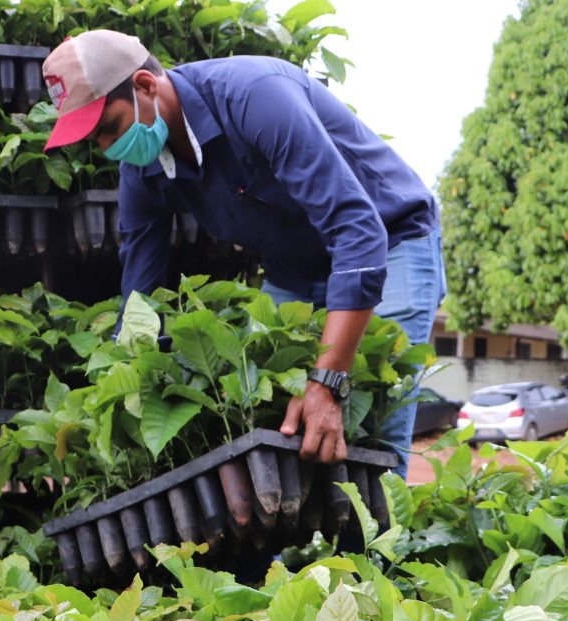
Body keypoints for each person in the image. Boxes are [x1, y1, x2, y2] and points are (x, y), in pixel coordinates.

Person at [41, 30, 445, 476]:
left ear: (145, 85)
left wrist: (329, 380)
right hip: (295, 269)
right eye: (94, 139)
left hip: (389, 242)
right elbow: (140, 294)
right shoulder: (142, 168)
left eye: (109, 128)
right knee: (273, 427)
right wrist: (115, 405)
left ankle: (381, 540)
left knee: (371, 444)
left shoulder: (254, 97)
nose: (106, 147)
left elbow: (357, 230)